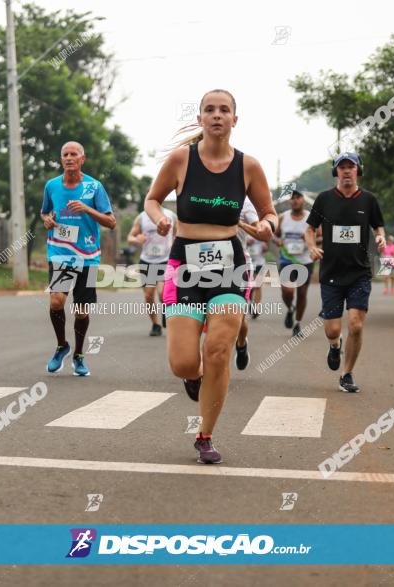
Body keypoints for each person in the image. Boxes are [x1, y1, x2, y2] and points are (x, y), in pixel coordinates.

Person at [144, 89, 276, 464]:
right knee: (184, 363)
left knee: (218, 349)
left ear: (235, 119)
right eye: (209, 110)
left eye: (224, 110)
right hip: (183, 264)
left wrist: (266, 225)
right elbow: (152, 199)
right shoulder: (180, 160)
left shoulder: (248, 166)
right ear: (200, 118)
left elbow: (268, 211)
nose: (217, 115)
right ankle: (193, 376)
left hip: (229, 265)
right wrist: (161, 219)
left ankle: (205, 435)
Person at [306, 152, 386, 394]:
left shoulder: (369, 200)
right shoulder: (324, 199)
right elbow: (310, 229)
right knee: (332, 328)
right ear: (336, 172)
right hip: (331, 273)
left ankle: (347, 373)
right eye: (342, 167)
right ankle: (334, 345)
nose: (347, 171)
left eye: (351, 166)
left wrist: (380, 236)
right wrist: (311, 246)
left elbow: (378, 225)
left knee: (356, 325)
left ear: (358, 170)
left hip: (359, 273)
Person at [41, 141, 116, 376]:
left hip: (88, 256)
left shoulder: (94, 187)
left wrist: (87, 209)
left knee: (82, 311)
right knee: (56, 301)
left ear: (82, 159)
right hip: (60, 252)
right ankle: (62, 345)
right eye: (65, 154)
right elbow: (44, 211)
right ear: (61, 159)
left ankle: (79, 354)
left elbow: (111, 222)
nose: (69, 158)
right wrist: (47, 220)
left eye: (74, 154)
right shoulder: (52, 186)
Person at [127, 206, 177, 336]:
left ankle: (167, 311)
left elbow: (178, 233)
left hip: (165, 260)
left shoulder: (170, 215)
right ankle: (156, 324)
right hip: (147, 261)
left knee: (162, 293)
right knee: (148, 295)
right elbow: (130, 237)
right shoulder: (141, 217)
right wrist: (137, 239)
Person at [235, 197, 270, 369]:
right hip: (206, 266)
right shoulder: (201, 195)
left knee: (238, 318)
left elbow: (261, 232)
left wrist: (240, 224)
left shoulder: (245, 203)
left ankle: (241, 344)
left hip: (239, 265)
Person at [274, 190, 315, 336]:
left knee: (302, 292)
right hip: (287, 260)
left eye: (298, 198)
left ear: (303, 200)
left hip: (305, 260)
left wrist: (311, 242)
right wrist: (277, 240)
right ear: (289, 201)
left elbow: (321, 237)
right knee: (287, 291)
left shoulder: (311, 218)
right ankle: (291, 309)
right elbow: (275, 234)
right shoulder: (282, 217)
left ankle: (297, 323)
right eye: (292, 198)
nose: (295, 200)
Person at [244, 231, 268, 319]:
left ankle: (255, 307)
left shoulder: (261, 230)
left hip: (259, 262)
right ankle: (251, 301)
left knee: (258, 285)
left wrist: (265, 247)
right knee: (249, 286)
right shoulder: (243, 230)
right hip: (247, 262)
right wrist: (246, 243)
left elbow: (266, 246)